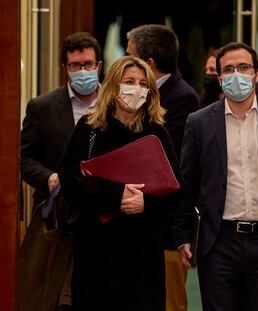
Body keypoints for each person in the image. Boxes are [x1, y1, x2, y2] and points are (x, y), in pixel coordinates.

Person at [174, 41, 258, 311]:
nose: (236, 74)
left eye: (243, 67)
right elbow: (188, 183)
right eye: (228, 69)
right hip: (219, 242)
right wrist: (183, 235)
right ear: (219, 78)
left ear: (256, 74)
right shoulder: (198, 122)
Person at [58, 55, 181, 310]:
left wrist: (144, 203)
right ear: (113, 86)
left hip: (143, 255)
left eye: (142, 83)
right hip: (96, 252)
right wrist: (117, 196)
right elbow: (70, 180)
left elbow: (174, 191)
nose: (136, 88)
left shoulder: (156, 132)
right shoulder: (89, 128)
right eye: (129, 81)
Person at [18, 31, 102, 311]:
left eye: (88, 65)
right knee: (49, 297)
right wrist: (50, 177)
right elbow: (24, 159)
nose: (83, 71)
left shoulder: (115, 107)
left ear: (99, 66)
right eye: (76, 66)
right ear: (65, 68)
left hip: (104, 218)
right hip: (57, 218)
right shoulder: (42, 107)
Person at [126, 24, 200, 311]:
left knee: (169, 303)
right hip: (136, 222)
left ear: (149, 63)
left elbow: (172, 165)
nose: (125, 62)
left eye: (131, 55)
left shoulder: (181, 97)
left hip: (164, 226)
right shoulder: (138, 94)